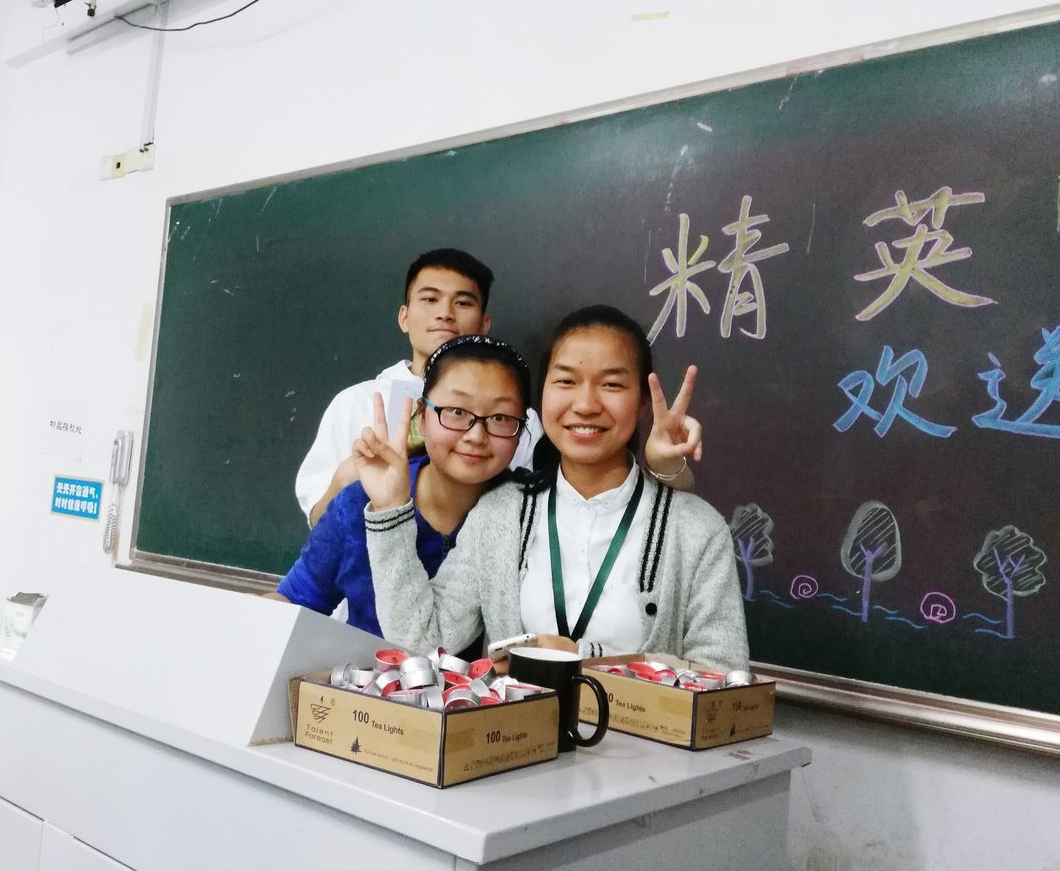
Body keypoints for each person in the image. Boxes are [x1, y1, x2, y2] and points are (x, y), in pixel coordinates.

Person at [361, 305, 748, 670]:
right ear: (541, 396)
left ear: (643, 403)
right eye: (565, 381)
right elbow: (425, 639)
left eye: (611, 384)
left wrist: (586, 660)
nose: (585, 404)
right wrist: (391, 508)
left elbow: (724, 682)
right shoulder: (501, 514)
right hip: (513, 739)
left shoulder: (696, 529)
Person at [270, 335, 533, 635]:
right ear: (421, 416)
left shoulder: (531, 514)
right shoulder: (361, 502)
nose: (475, 435)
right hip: (366, 676)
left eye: (500, 417)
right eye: (457, 412)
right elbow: (294, 600)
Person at [294, 249, 540, 527]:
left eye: (462, 303)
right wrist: (344, 481)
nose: (445, 314)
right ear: (404, 317)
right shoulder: (354, 403)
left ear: (484, 325)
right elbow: (318, 523)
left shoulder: (518, 419)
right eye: (430, 299)